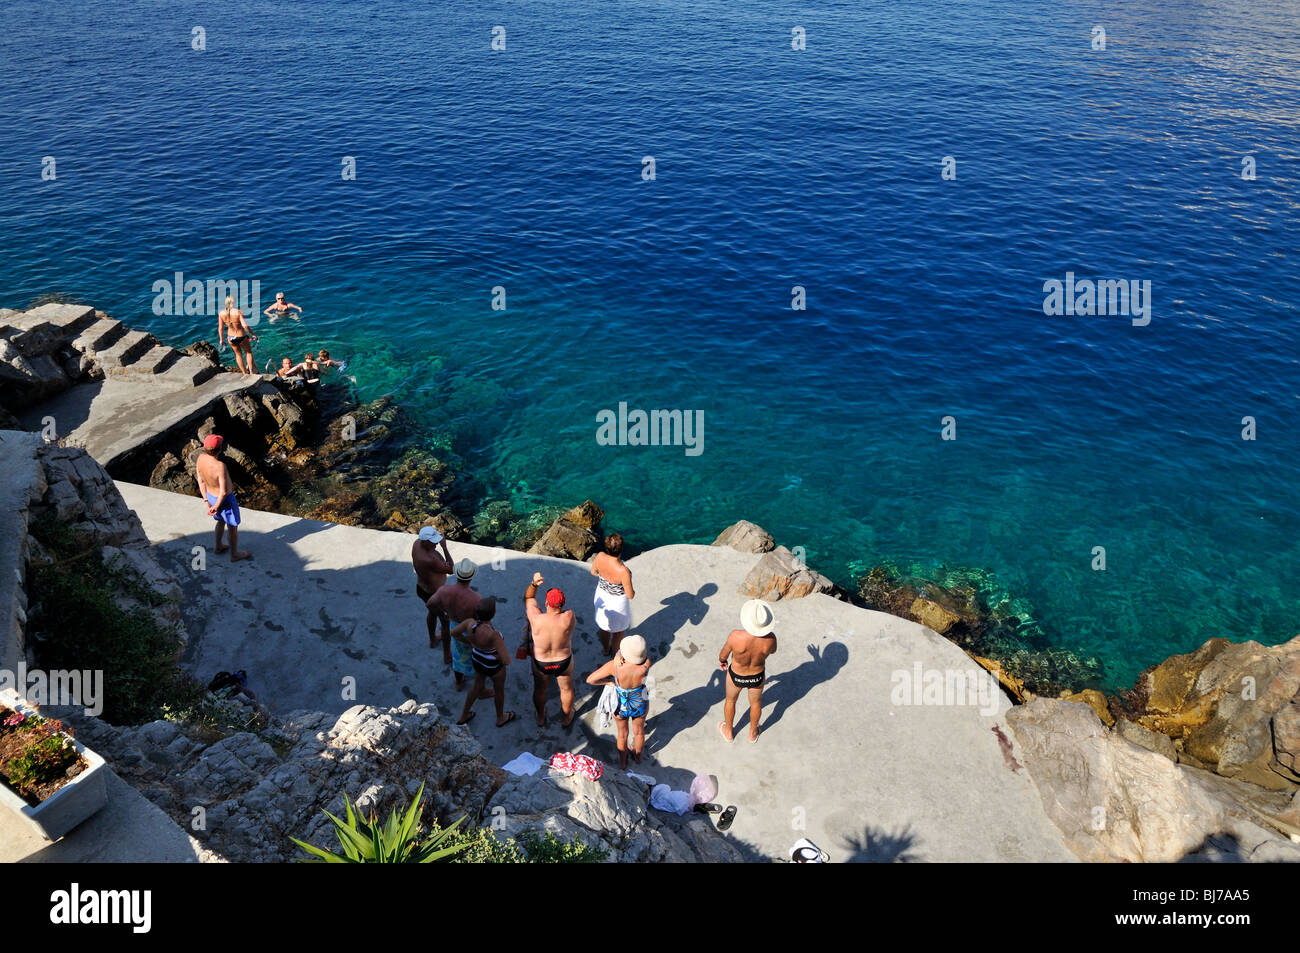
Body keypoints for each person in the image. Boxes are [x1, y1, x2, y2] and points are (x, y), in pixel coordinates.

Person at [586, 635, 650, 769]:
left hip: (621, 705)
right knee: (639, 732)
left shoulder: (613, 666)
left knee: (622, 734)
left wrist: (609, 682)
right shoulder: (646, 664)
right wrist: (620, 653)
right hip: (640, 702)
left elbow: (590, 680)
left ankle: (622, 762)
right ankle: (638, 757)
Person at [718, 599, 778, 743]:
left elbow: (723, 655)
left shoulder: (735, 636)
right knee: (756, 703)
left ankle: (728, 732)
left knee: (731, 701)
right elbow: (773, 651)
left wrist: (722, 661)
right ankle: (753, 733)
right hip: (756, 676)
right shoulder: (770, 639)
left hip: (736, 675)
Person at [450, 598, 515, 727]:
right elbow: (507, 660)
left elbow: (453, 633)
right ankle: (500, 717)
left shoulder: (470, 624)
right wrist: (496, 655)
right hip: (494, 667)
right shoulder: (493, 634)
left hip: (477, 659)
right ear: (493, 614)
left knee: (477, 685)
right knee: (499, 690)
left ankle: (464, 715)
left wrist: (469, 642)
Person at [524, 572, 576, 728]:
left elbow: (529, 598)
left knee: (540, 690)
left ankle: (540, 716)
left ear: (546, 603)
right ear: (562, 604)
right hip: (563, 661)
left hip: (542, 663)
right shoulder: (569, 616)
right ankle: (566, 717)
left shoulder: (535, 618)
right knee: (566, 689)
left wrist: (534, 584)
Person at [426, 559, 485, 693]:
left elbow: (430, 604)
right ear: (471, 577)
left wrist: (443, 614)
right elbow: (481, 620)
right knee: (475, 655)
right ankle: (478, 684)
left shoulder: (443, 591)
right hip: (469, 629)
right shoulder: (476, 599)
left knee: (457, 656)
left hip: (454, 626)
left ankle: (459, 682)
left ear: (457, 574)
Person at [194, 434, 251, 562]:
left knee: (220, 521)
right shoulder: (220, 466)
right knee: (232, 527)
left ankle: (218, 546)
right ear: (220, 449)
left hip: (211, 497)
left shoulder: (200, 458)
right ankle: (234, 554)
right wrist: (217, 506)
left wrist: (207, 501)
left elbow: (201, 481)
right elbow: (224, 491)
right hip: (225, 501)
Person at [590, 532, 635, 657]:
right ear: (621, 549)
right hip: (618, 603)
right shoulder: (623, 571)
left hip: (602, 596)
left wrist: (605, 576)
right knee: (618, 632)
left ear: (607, 547)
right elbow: (630, 595)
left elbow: (593, 572)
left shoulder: (599, 556)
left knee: (604, 628)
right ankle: (615, 655)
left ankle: (605, 650)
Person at [411, 527, 454, 651]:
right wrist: (444, 548)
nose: (436, 543)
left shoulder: (416, 544)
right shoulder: (430, 560)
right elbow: (451, 569)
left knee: (432, 612)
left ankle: (433, 640)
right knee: (445, 621)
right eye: (433, 541)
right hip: (435, 594)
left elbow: (438, 561)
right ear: (424, 541)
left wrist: (440, 561)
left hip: (422, 589)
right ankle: (447, 655)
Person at [218, 295, 258, 375]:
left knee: (238, 354)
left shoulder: (221, 313)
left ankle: (244, 372)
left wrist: (221, 339)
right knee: (248, 353)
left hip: (230, 337)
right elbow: (245, 326)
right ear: (234, 302)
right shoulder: (238, 312)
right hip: (241, 336)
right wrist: (252, 334)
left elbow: (220, 328)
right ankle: (251, 372)